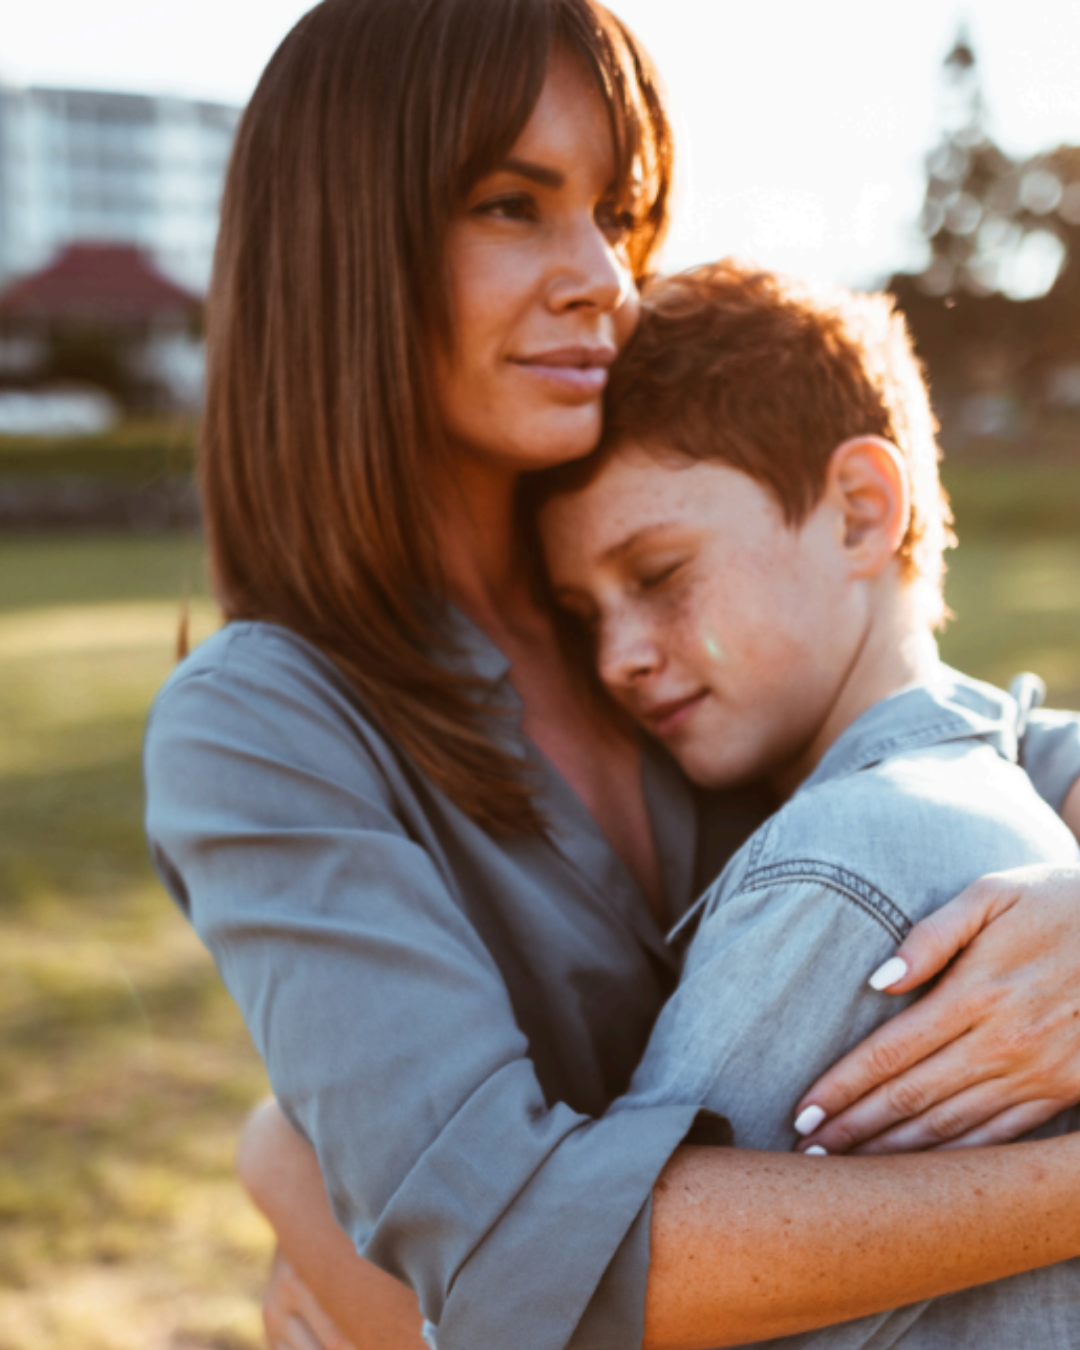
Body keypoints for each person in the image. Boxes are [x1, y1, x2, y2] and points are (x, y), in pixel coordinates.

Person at [141, 2, 1080, 1348]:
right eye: (512, 205)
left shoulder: (679, 605)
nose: (605, 279)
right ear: (346, 245)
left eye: (616, 212)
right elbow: (514, 1257)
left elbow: (983, 745)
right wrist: (278, 1162)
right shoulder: (263, 725)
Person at [533, 260, 1080, 1345]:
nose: (617, 657)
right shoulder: (1009, 794)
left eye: (659, 573)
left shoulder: (840, 872)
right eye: (582, 614)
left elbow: (591, 1299)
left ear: (860, 515)